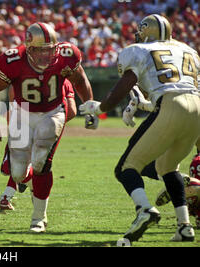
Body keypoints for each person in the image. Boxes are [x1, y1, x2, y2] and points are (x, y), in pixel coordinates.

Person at [80, 14, 200, 243]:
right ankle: (184, 226)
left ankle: (144, 209)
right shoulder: (189, 50)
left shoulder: (137, 50)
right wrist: (146, 103)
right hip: (197, 110)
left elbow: (124, 86)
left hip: (170, 106)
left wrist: (100, 107)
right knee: (168, 167)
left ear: (145, 31)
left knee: (126, 167)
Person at [0, 22, 95, 232]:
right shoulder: (12, 60)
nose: (47, 55)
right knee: (17, 173)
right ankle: (28, 183)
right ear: (30, 48)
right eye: (41, 50)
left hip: (53, 111)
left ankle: (38, 218)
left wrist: (89, 106)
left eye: (50, 49)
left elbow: (80, 81)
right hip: (21, 113)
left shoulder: (66, 55)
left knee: (42, 160)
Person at [0, 80, 77, 211]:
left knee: (15, 167)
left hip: (30, 128)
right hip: (37, 129)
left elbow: (72, 110)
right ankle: (22, 192)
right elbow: (72, 111)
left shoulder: (26, 71)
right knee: (19, 168)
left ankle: (9, 196)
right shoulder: (62, 77)